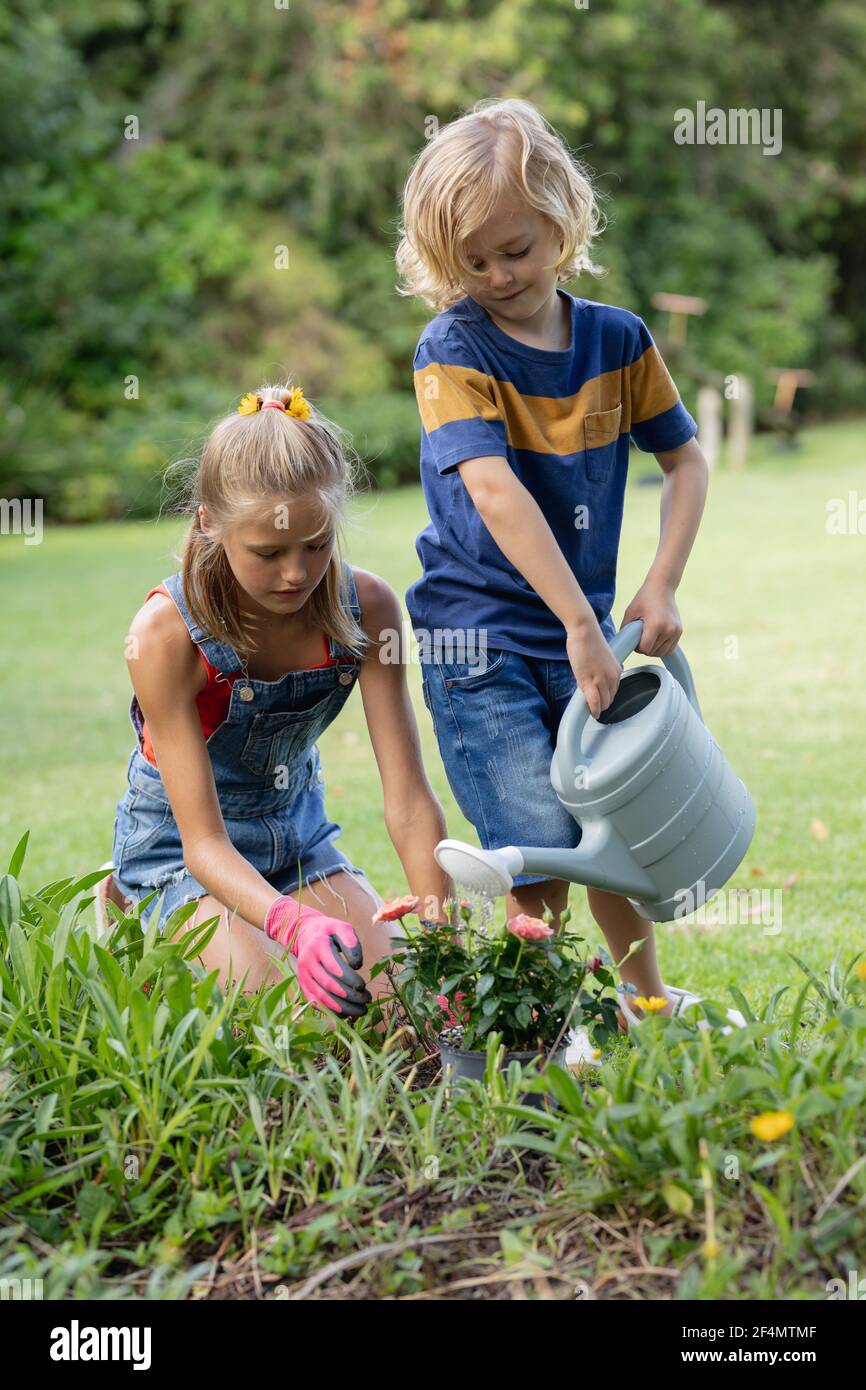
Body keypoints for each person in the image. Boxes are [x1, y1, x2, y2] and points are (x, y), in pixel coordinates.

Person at [395, 97, 739, 1029]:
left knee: (614, 836)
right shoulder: (450, 349)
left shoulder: (618, 341)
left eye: (518, 249)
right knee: (541, 853)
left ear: (563, 220)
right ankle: (529, 1029)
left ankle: (646, 1005)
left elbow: (686, 461)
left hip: (583, 633)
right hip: (483, 644)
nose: (499, 275)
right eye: (472, 261)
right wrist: (583, 628)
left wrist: (659, 582)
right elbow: (496, 493)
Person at [103, 383, 451, 1018]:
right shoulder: (162, 637)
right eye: (268, 553)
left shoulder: (369, 610)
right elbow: (202, 843)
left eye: (317, 545)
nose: (296, 574)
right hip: (181, 855)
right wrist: (292, 925)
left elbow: (407, 797)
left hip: (298, 841)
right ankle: (132, 908)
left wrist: (443, 939)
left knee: (399, 1002)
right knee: (281, 1013)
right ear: (208, 521)